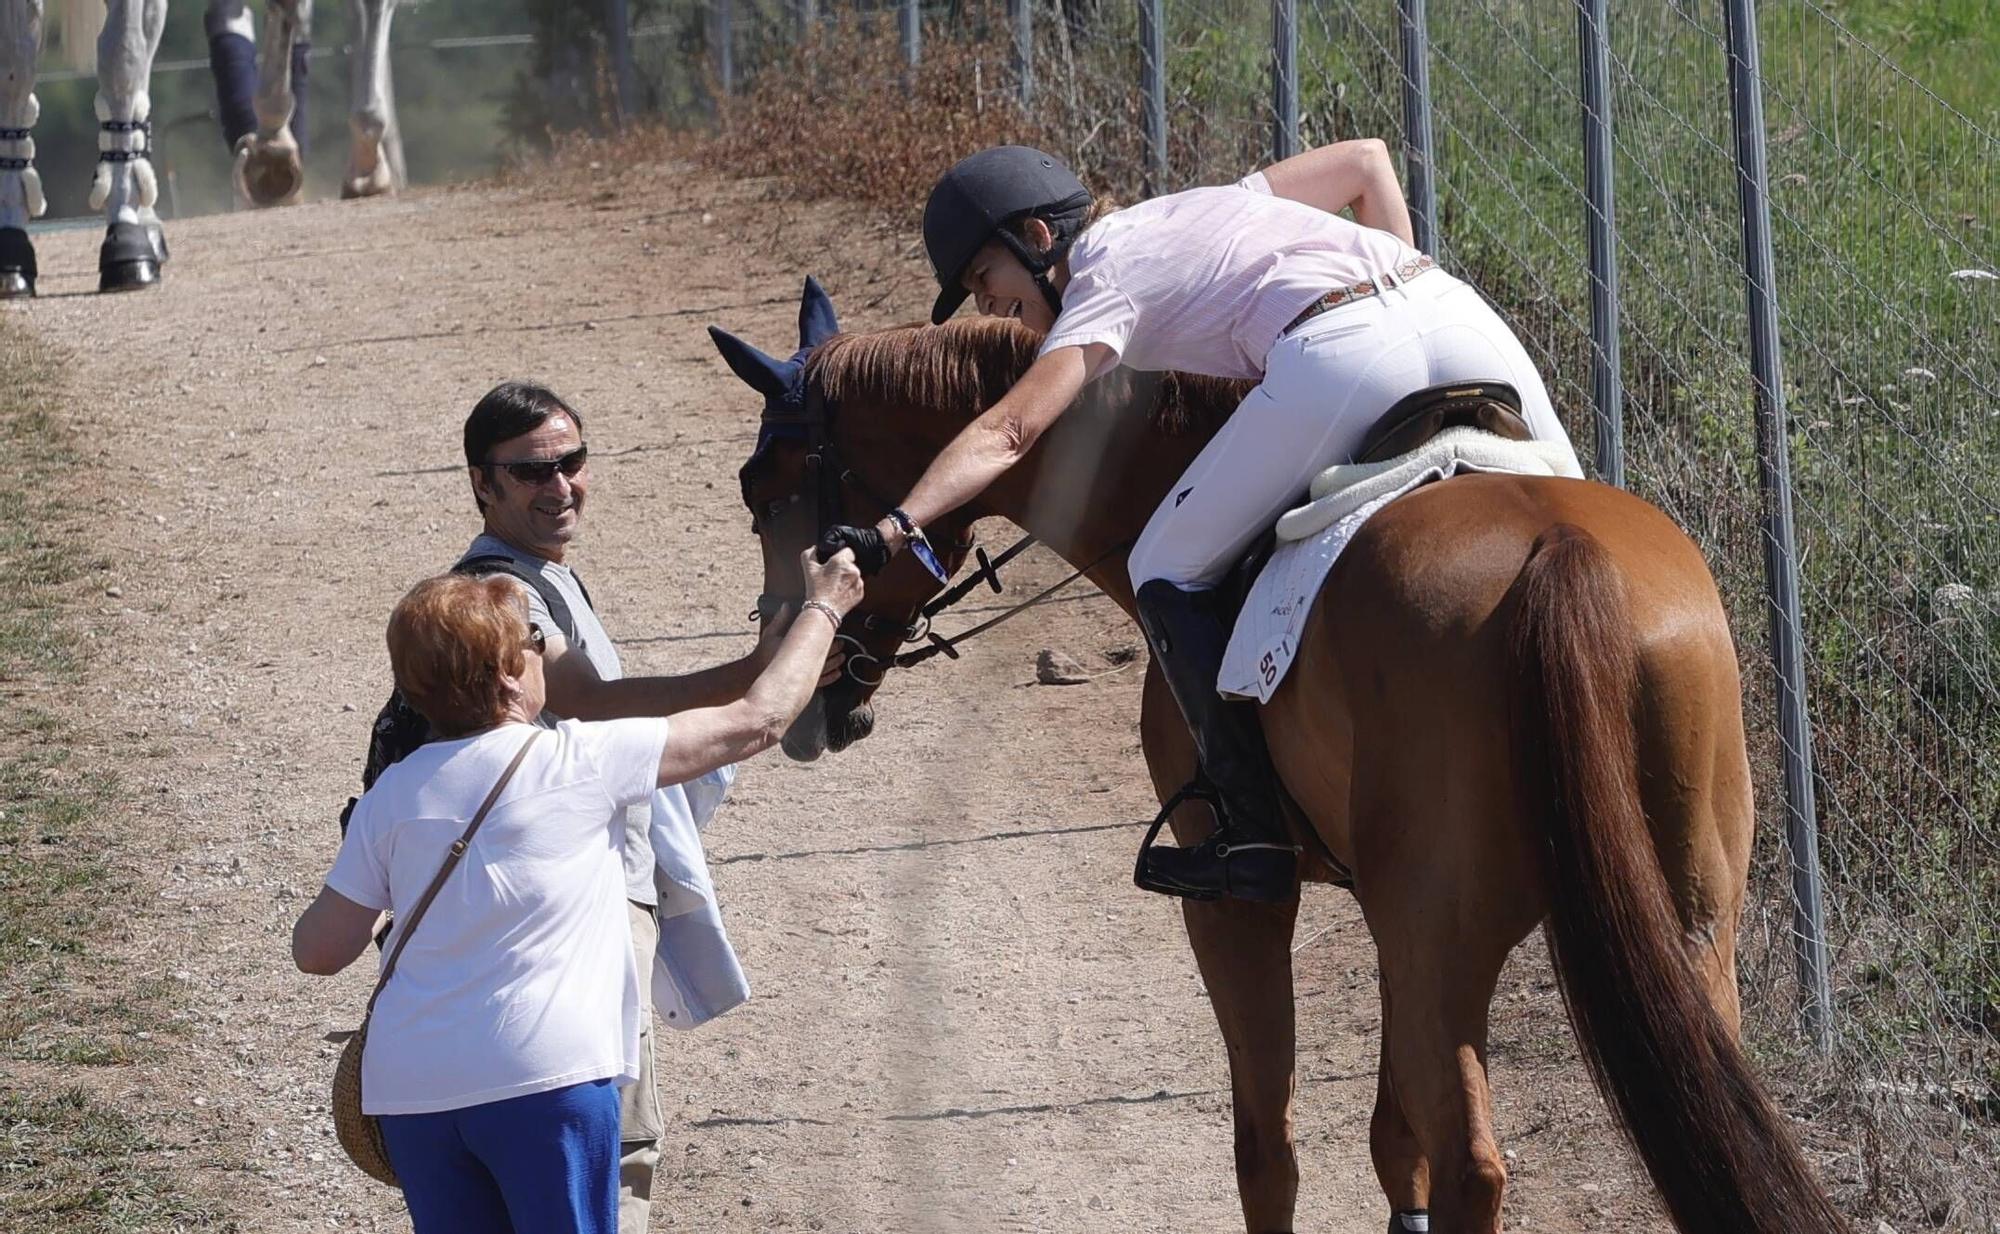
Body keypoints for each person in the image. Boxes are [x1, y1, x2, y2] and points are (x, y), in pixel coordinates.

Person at [819, 141, 1581, 904]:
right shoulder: (1211, 202)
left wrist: (893, 528)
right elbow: (1367, 164)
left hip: (1342, 358)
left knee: (1161, 564)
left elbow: (1010, 433)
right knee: (1577, 538)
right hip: (1461, 318)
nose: (985, 306)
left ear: (1040, 240)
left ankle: (1250, 835)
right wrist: (1395, 293)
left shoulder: (1100, 285)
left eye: (983, 279)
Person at [291, 555, 860, 1233]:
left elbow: (318, 952)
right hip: (544, 1078)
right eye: (534, 643)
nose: (541, 655)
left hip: (414, 1091)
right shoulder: (579, 760)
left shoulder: (392, 796)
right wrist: (826, 607)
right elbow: (758, 721)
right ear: (508, 673)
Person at [447, 379, 841, 1227]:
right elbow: (592, 702)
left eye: (572, 462)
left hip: (538, 899)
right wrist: (765, 667)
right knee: (614, 1153)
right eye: (531, 473)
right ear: (483, 483)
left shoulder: (540, 579)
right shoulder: (503, 593)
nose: (560, 487)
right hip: (579, 904)